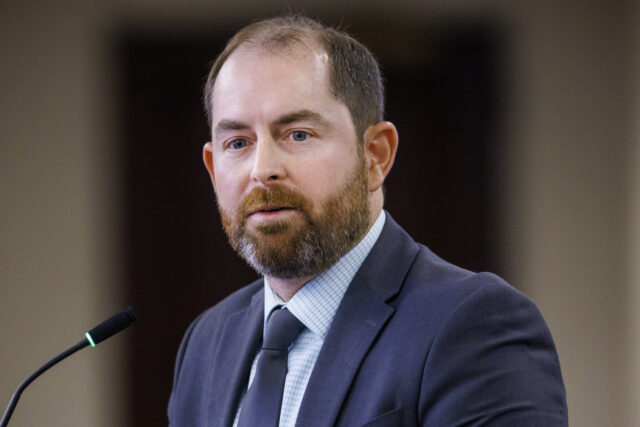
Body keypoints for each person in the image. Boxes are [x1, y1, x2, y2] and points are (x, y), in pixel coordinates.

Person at [168, 15, 567, 427]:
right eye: (238, 142)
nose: (262, 168)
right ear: (214, 170)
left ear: (376, 155)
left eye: (298, 134)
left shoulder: (473, 326)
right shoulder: (207, 343)